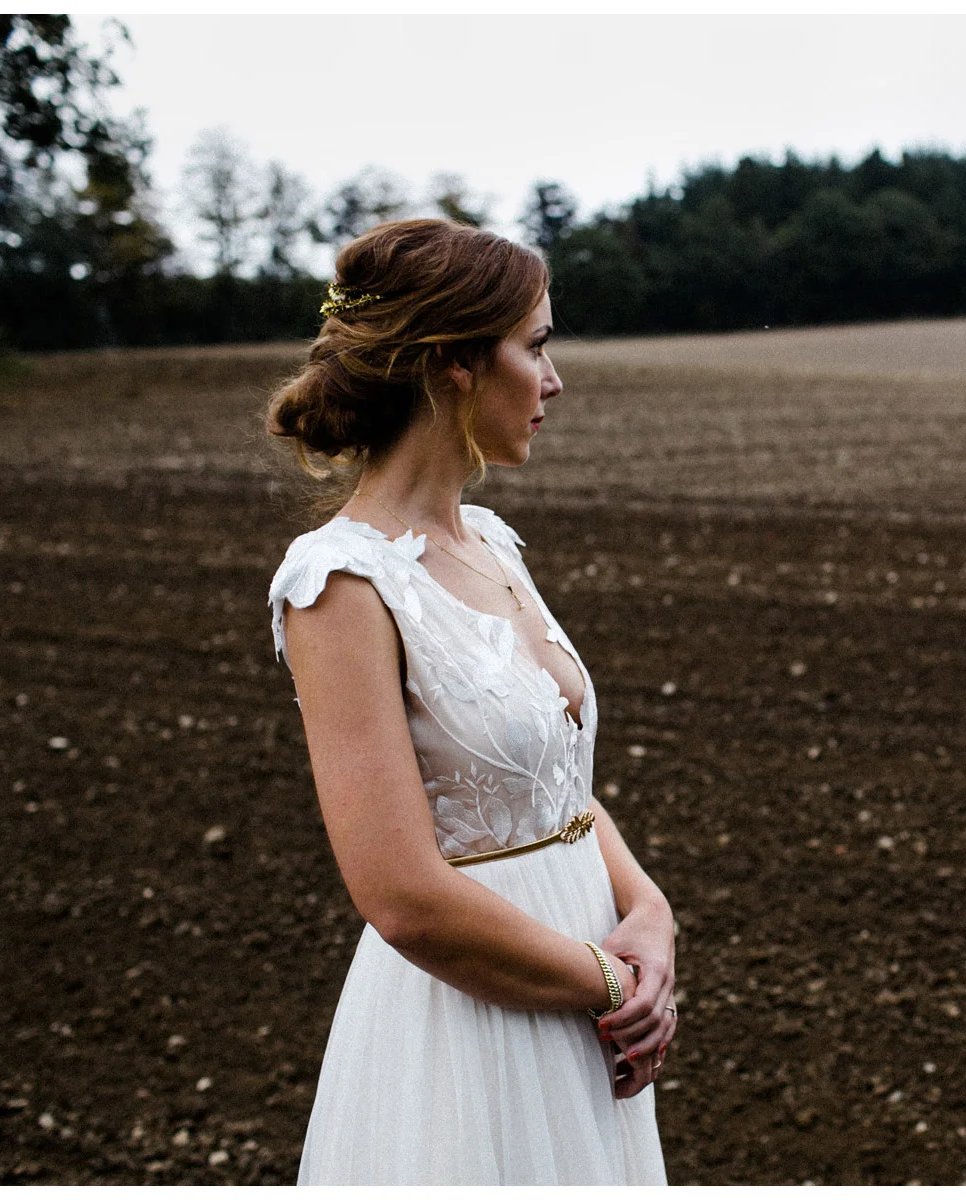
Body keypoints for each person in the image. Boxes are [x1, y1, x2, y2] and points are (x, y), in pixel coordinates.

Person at [263, 218, 674, 1184]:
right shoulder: (340, 584)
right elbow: (400, 894)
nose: (554, 379)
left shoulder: (492, 540)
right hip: (475, 1023)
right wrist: (609, 980)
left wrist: (649, 912)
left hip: (584, 1000)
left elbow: (552, 780)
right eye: (534, 347)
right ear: (453, 362)